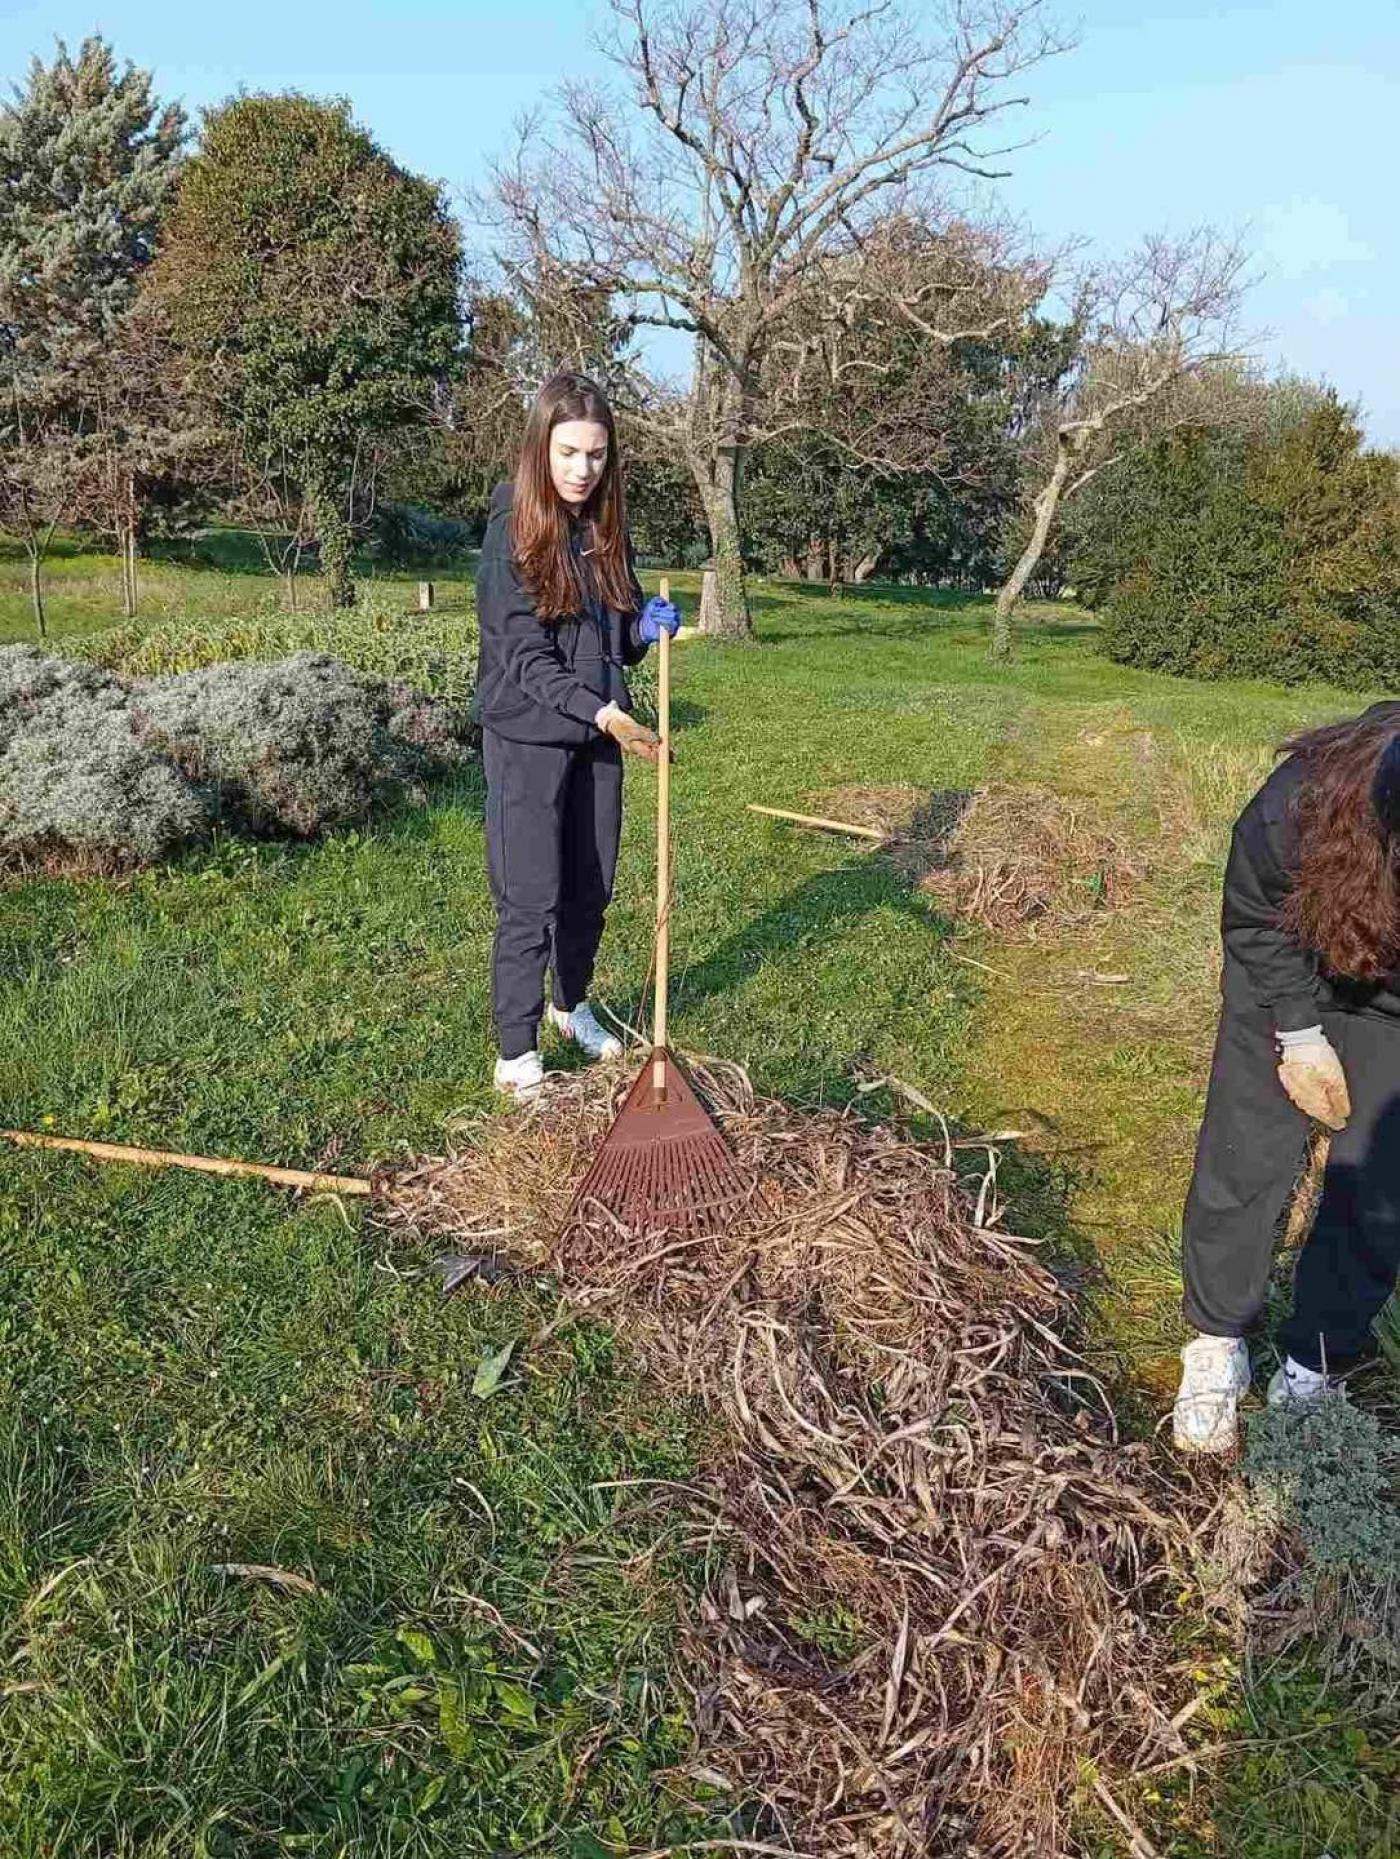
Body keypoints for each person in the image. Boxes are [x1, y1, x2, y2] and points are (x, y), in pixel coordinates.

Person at [1173, 701, 1400, 1452]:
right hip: (1291, 950)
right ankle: (1216, 1336)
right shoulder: (1302, 802)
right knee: (1249, 1140)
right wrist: (1300, 1035)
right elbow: (1253, 913)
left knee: (1381, 1175)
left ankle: (1316, 1361)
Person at [473, 371, 680, 1100]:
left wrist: (642, 631)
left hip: (599, 736)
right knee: (530, 895)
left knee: (589, 888)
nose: (581, 470)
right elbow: (525, 658)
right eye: (567, 452)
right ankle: (516, 1054)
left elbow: (611, 634)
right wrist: (598, 711)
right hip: (529, 737)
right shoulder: (512, 533)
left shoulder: (602, 530)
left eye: (595, 455)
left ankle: (571, 1006)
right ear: (540, 448)